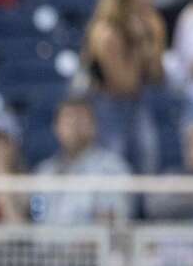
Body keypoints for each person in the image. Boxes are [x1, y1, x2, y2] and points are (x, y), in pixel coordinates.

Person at [83, 0, 165, 174]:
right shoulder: (106, 32)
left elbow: (157, 75)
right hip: (108, 106)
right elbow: (123, 84)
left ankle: (146, 208)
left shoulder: (153, 24)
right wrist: (139, 44)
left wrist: (152, 40)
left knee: (148, 155)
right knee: (114, 163)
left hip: (140, 102)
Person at [32, 96, 132, 225]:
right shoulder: (43, 172)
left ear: (94, 126)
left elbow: (113, 222)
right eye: (68, 119)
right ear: (56, 127)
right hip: (47, 243)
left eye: (80, 119)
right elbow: (37, 218)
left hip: (92, 243)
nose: (74, 125)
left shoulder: (112, 168)